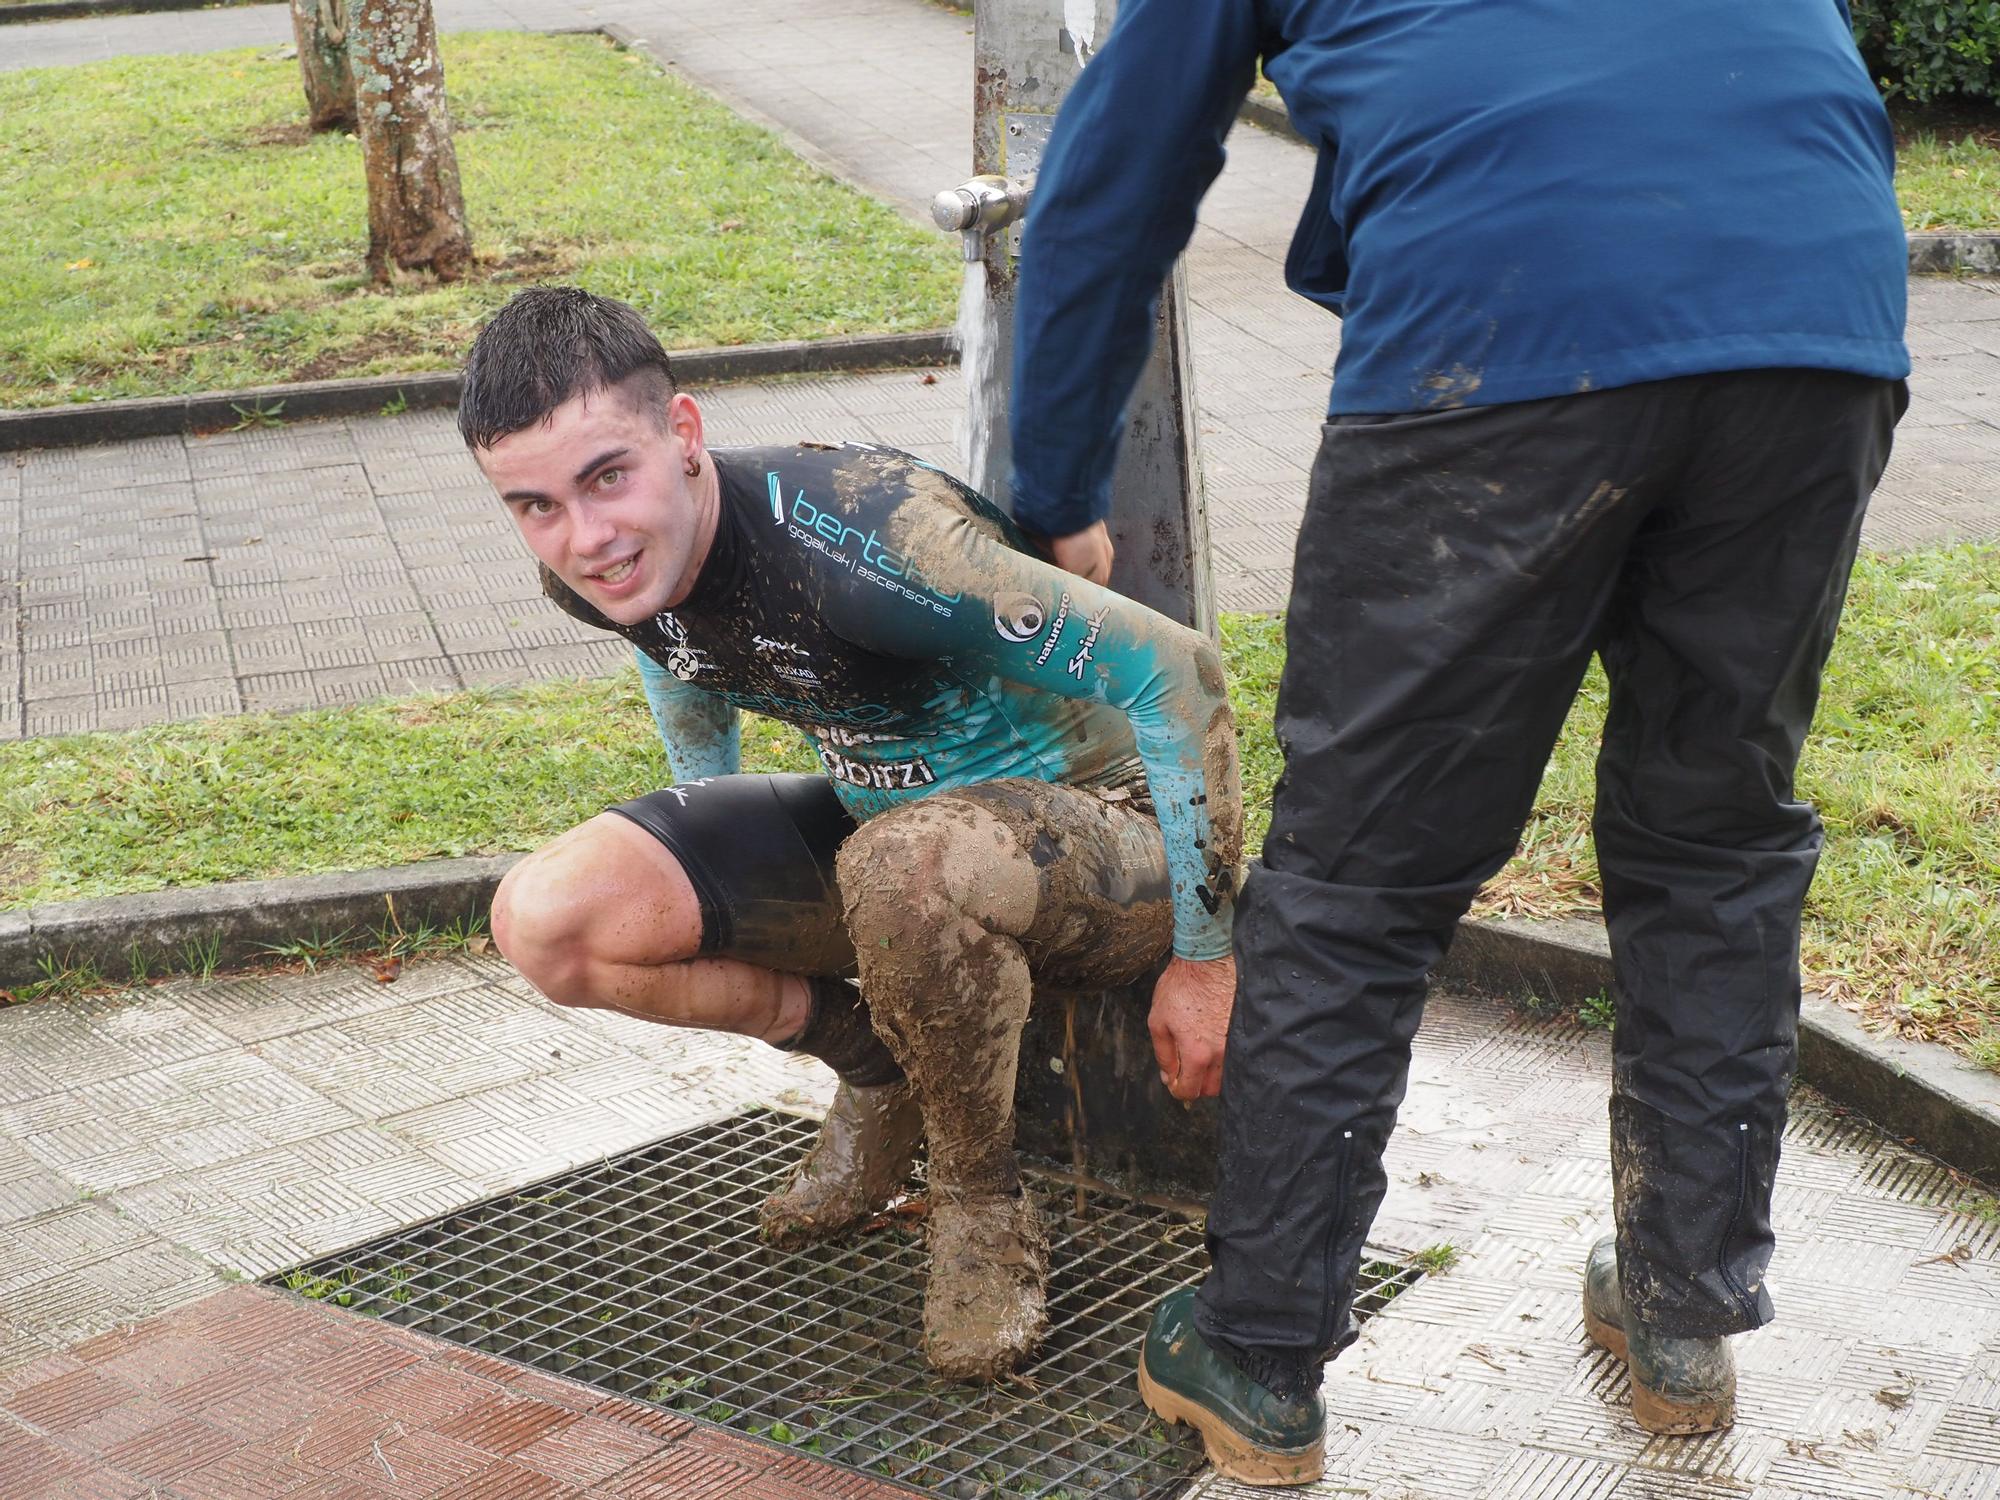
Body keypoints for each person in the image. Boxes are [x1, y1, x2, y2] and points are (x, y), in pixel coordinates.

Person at [1005, 0, 1911, 1483]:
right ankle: (1683, 1308)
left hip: (1508, 326)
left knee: (1362, 873)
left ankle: (1259, 1350)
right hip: (1820, 314)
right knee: (1716, 835)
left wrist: (1049, 480)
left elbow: (1111, 182)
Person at [456, 286, 1244, 1382]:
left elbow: (1179, 672)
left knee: (900, 865)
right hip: (896, 834)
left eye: (606, 478)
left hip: (1106, 834)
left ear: (681, 435)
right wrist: (709, 846)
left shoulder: (878, 546)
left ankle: (979, 1205)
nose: (583, 537)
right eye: (534, 504)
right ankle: (876, 1061)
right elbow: (679, 648)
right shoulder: (590, 569)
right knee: (549, 920)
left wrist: (1206, 959)